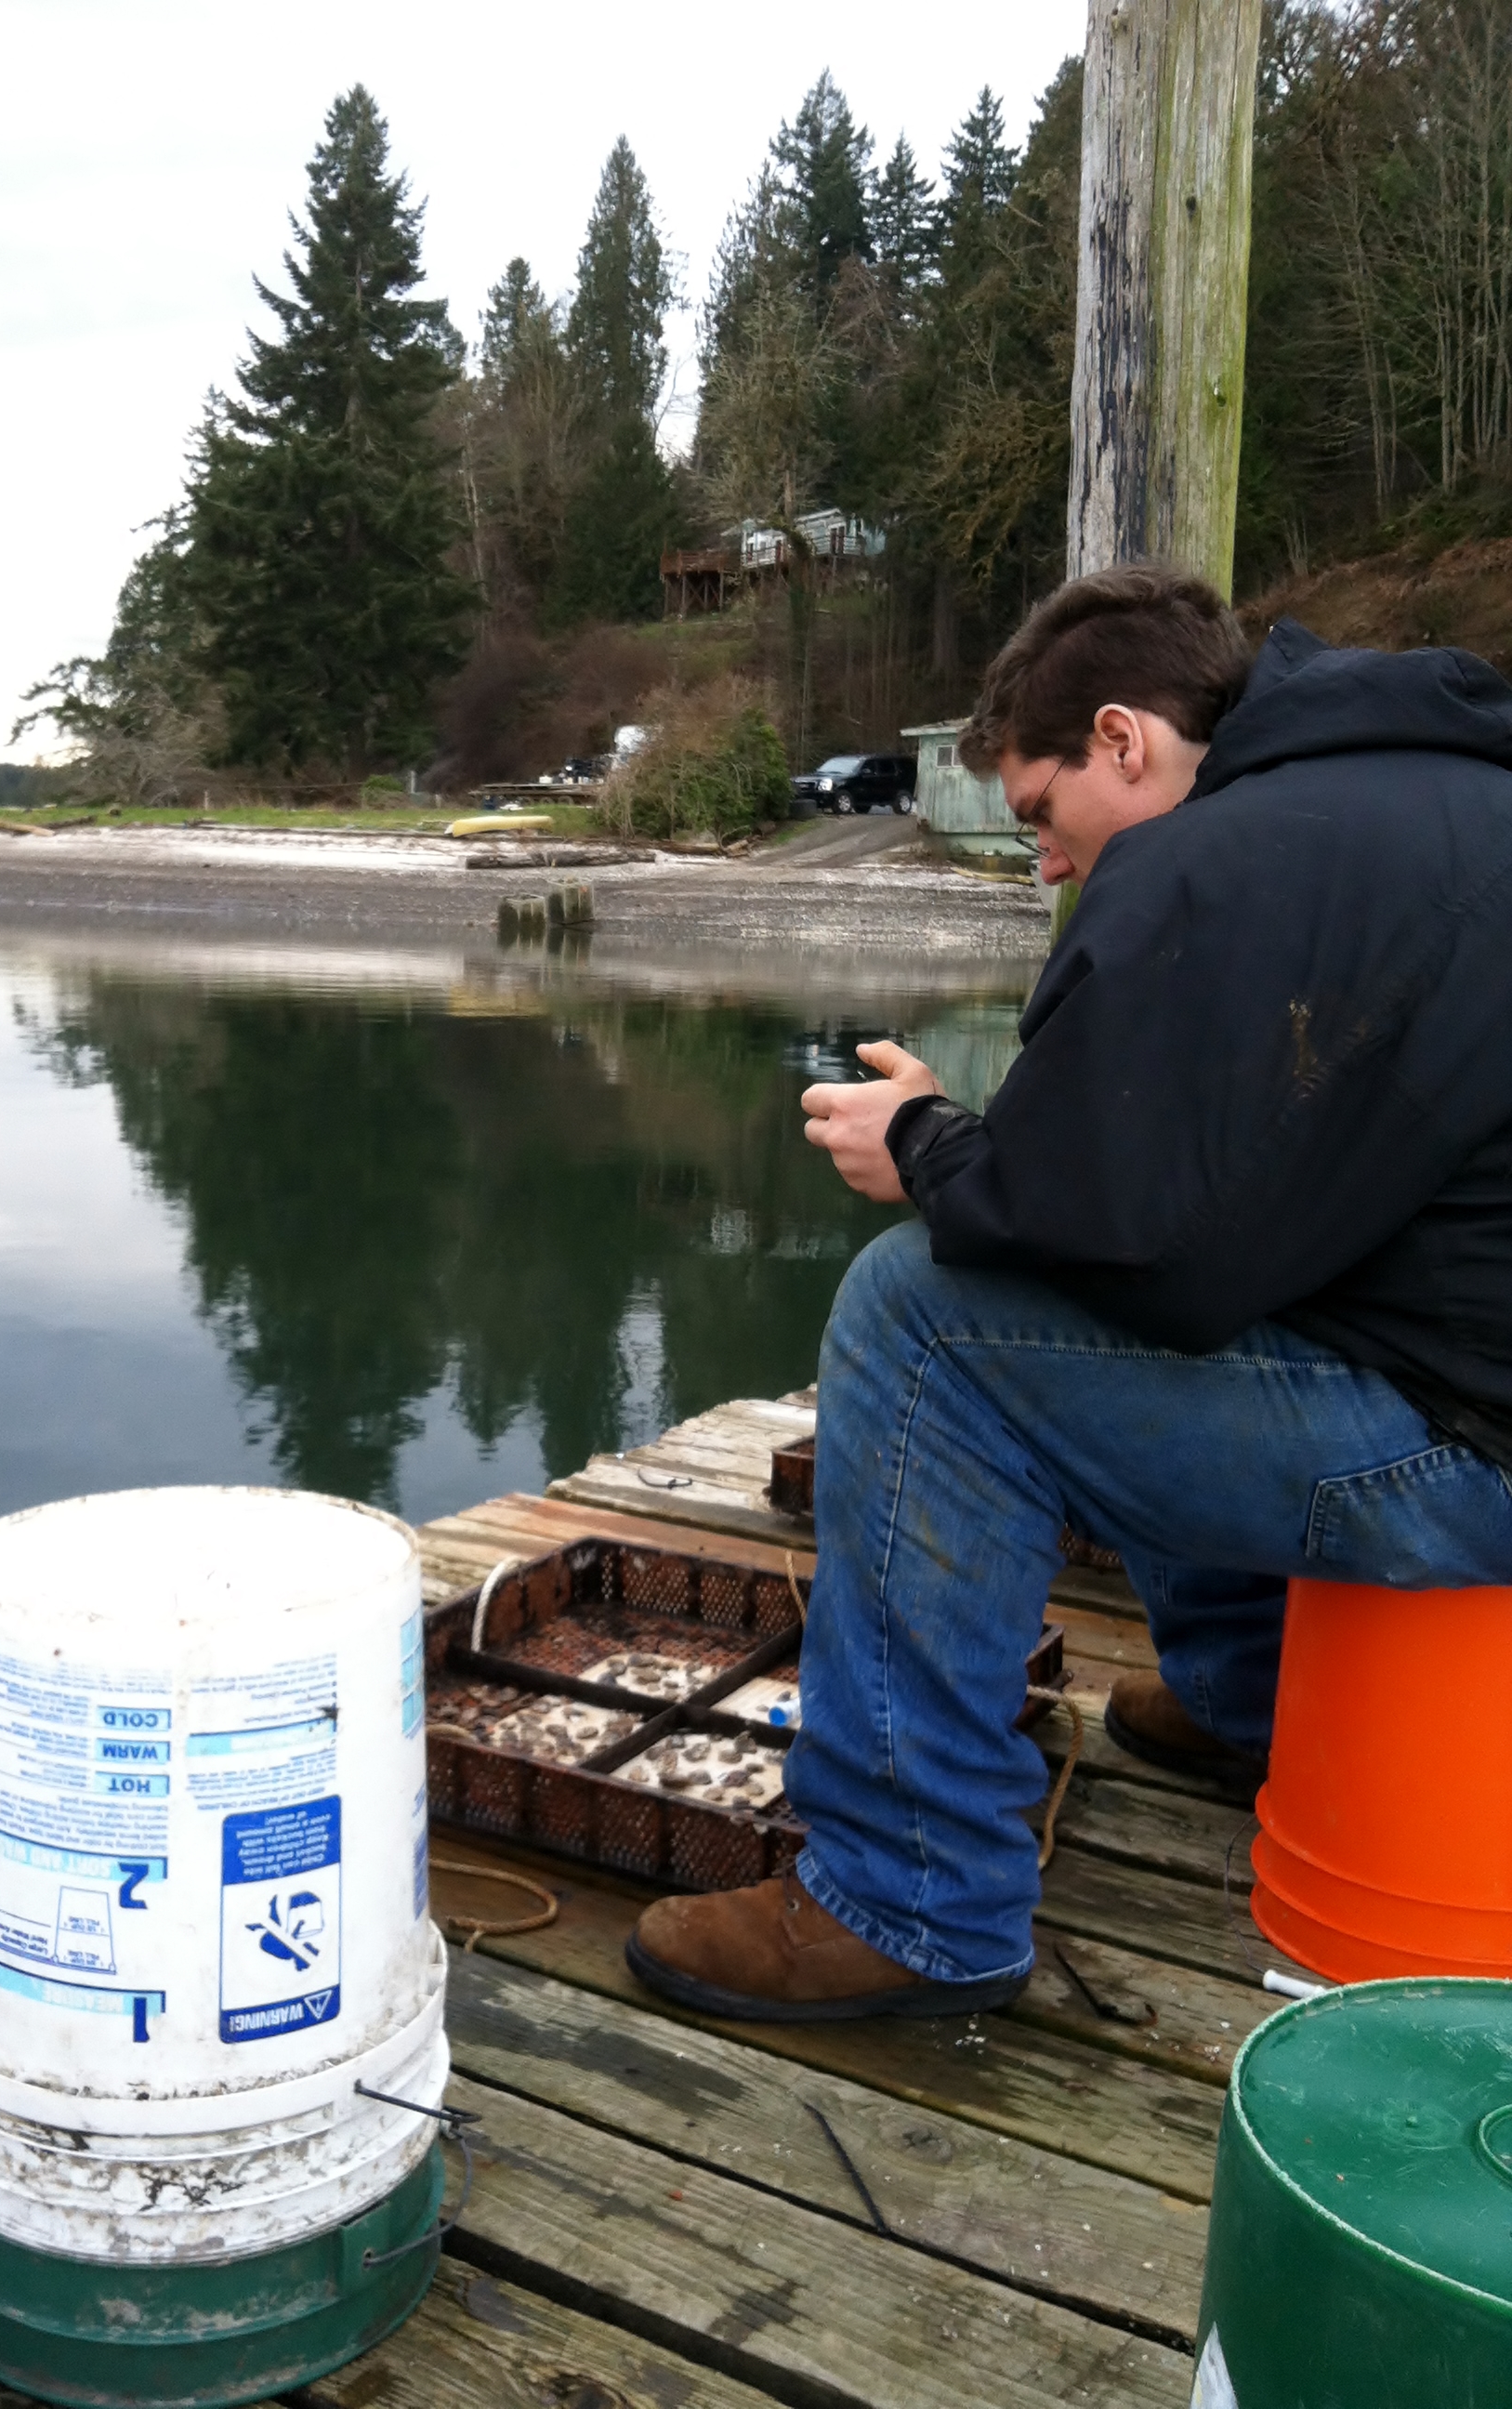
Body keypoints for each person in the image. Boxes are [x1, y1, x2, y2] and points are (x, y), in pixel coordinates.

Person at [625, 562, 1512, 2022]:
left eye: (1040, 813)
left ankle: (907, 1900)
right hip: (1468, 1379)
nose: (1044, 863)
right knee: (1150, 1302)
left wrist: (922, 1146)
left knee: (923, 1319)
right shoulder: (1418, 803)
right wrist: (977, 1155)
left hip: (1469, 1460)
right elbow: (1239, 1202)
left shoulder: (1227, 860)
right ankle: (1253, 1708)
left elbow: (1134, 1244)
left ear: (1123, 741)